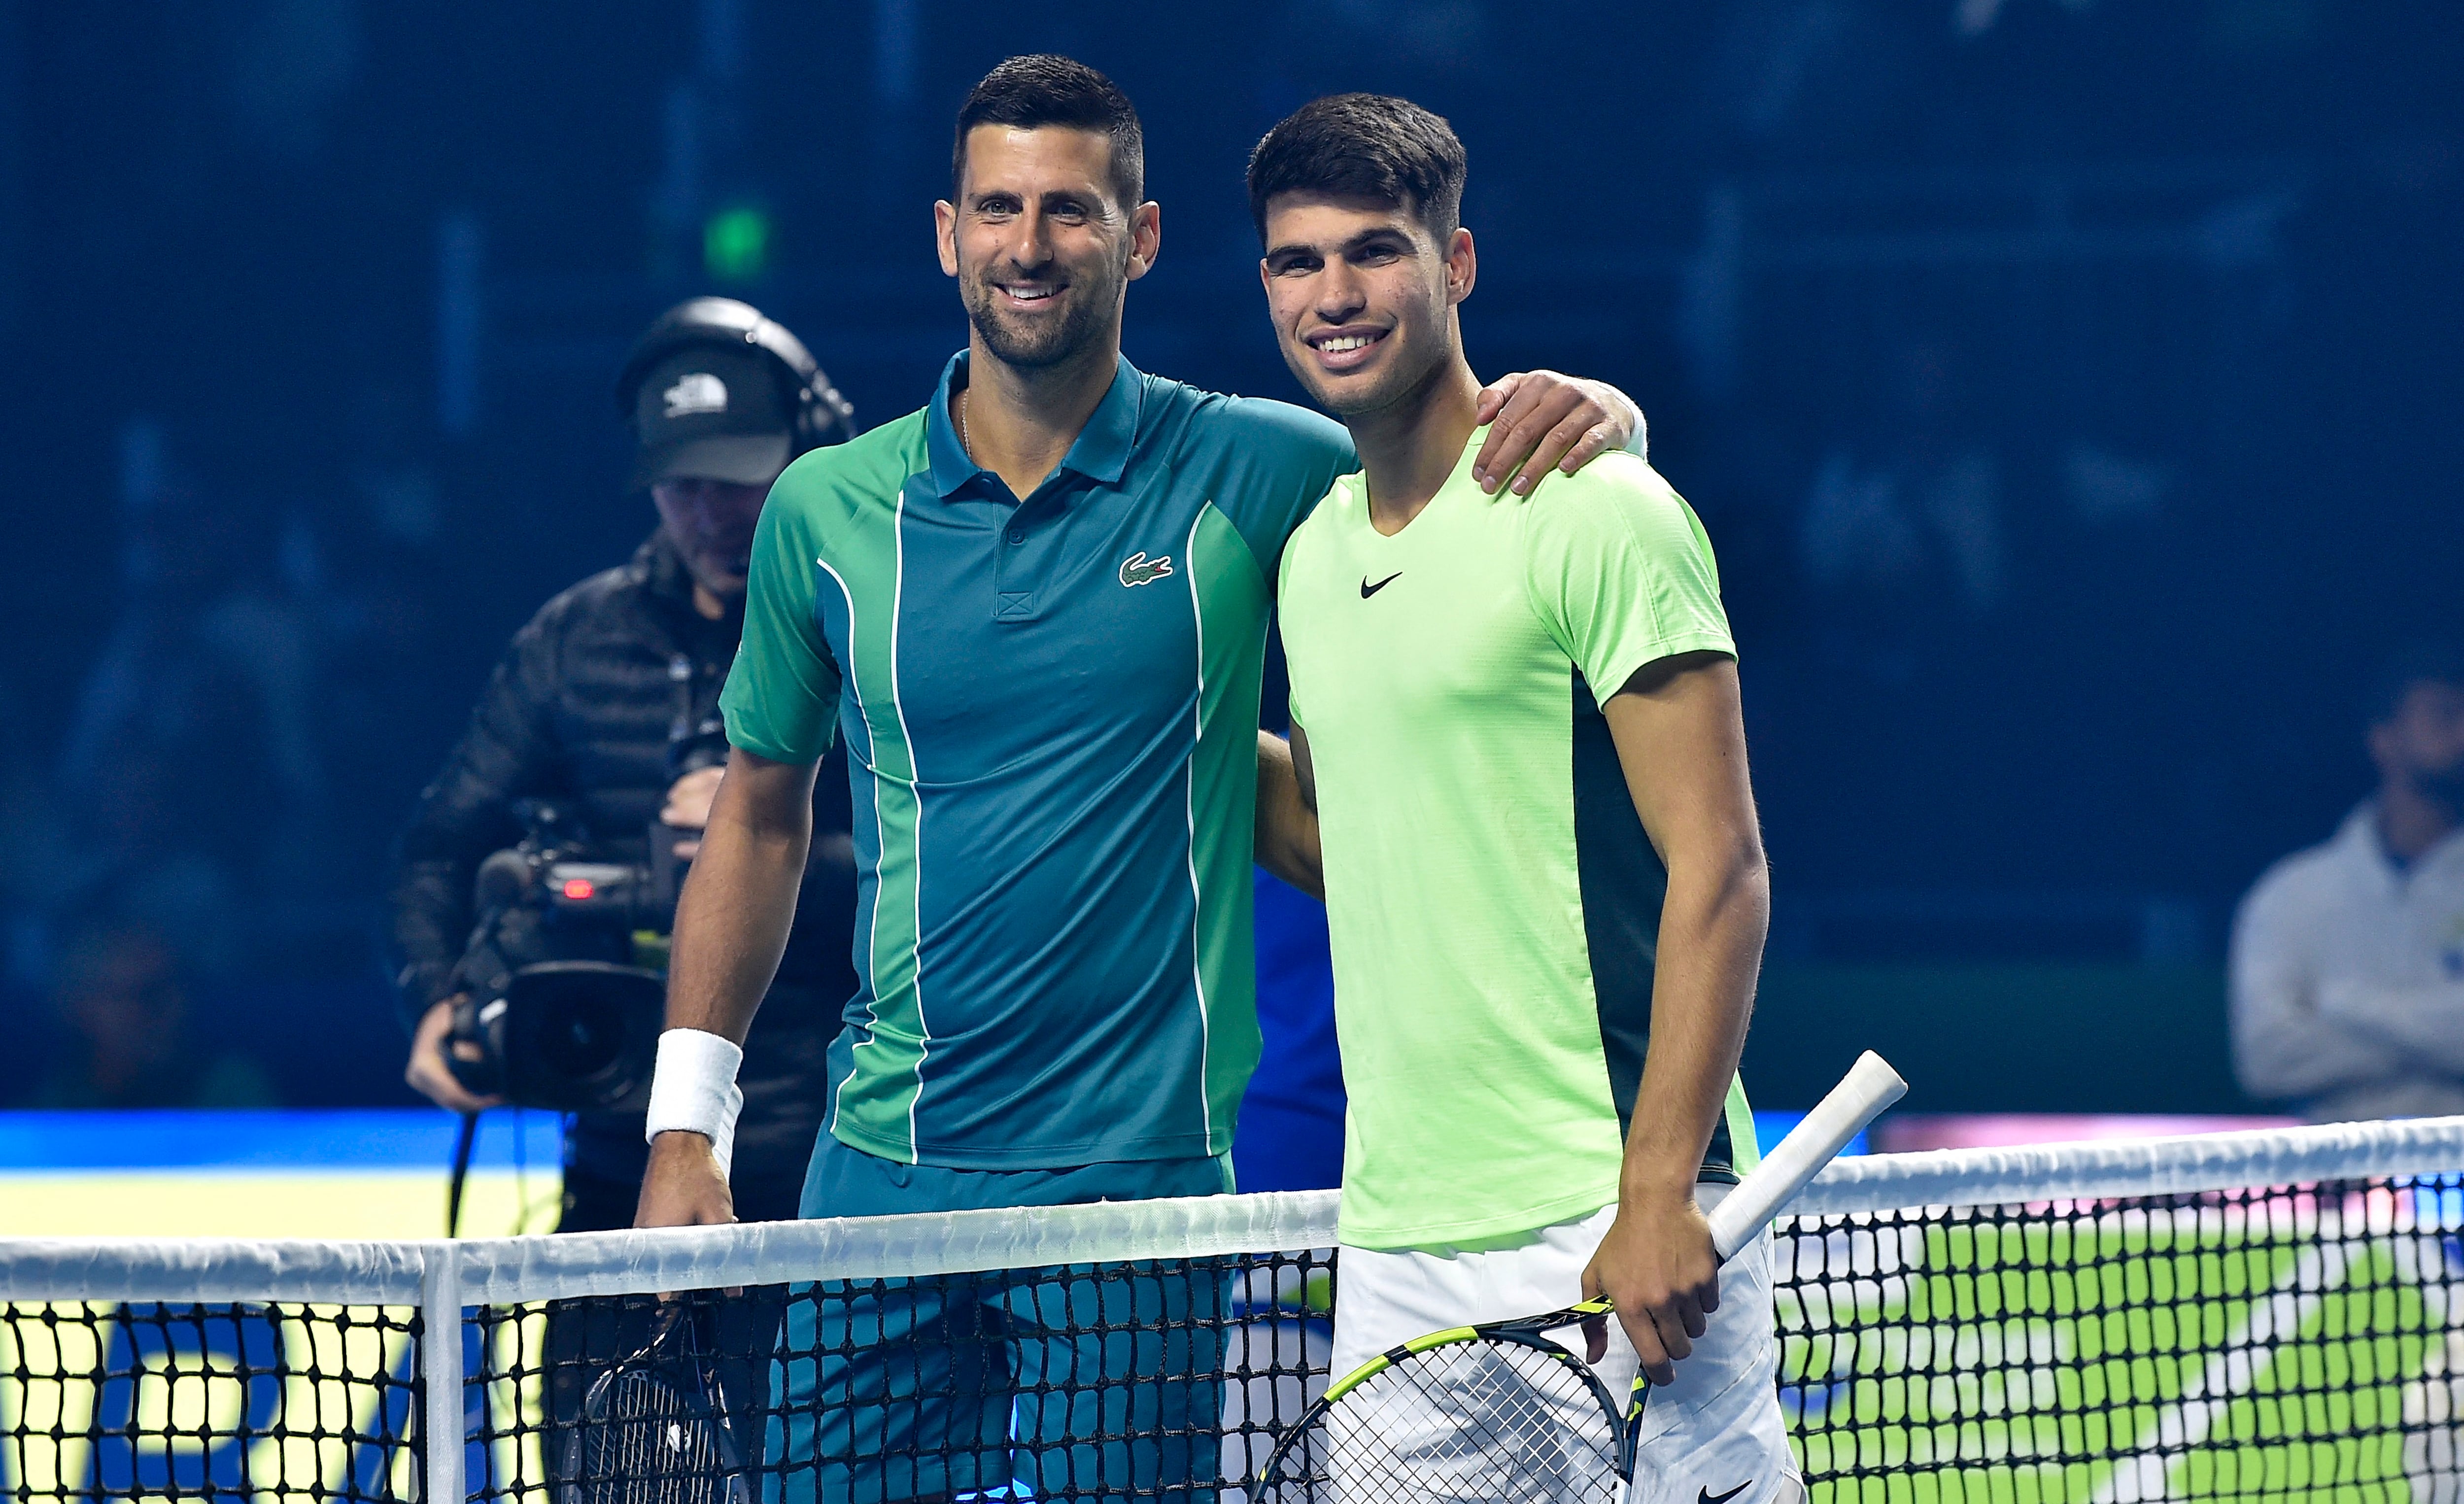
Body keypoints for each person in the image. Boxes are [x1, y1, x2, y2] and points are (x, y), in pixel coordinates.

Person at [634, 55, 1649, 1504]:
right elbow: (758, 815)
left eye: (1070, 210)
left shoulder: (1259, 464)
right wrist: (688, 1128)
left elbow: (1454, 470)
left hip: (1143, 1190)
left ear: (1142, 236)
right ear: (948, 235)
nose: (1029, 245)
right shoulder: (827, 509)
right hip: (880, 1168)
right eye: (998, 209)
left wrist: (1607, 413)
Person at [1255, 94, 1800, 1504]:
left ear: (1457, 264)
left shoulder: (1597, 510)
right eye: (1298, 261)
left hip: (1609, 1206)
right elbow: (1354, 843)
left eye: (1374, 252)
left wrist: (1658, 1190)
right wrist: (1158, 734)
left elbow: (1723, 866)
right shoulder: (1309, 560)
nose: (1333, 295)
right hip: (1396, 1243)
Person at [387, 296, 860, 1234]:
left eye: (737, 482)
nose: (711, 514)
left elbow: (960, 866)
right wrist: (437, 996)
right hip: (618, 1164)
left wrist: (776, 830)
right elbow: (440, 846)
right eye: (682, 486)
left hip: (835, 1171)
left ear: (804, 456)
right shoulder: (577, 640)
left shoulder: (876, 624)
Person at [2231, 642, 2464, 1122]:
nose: (2462, 732)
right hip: (2334, 1165)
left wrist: (2347, 1007)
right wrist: (2438, 1033)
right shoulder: (2292, 893)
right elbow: (2266, 1060)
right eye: (2444, 714)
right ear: (2383, 739)